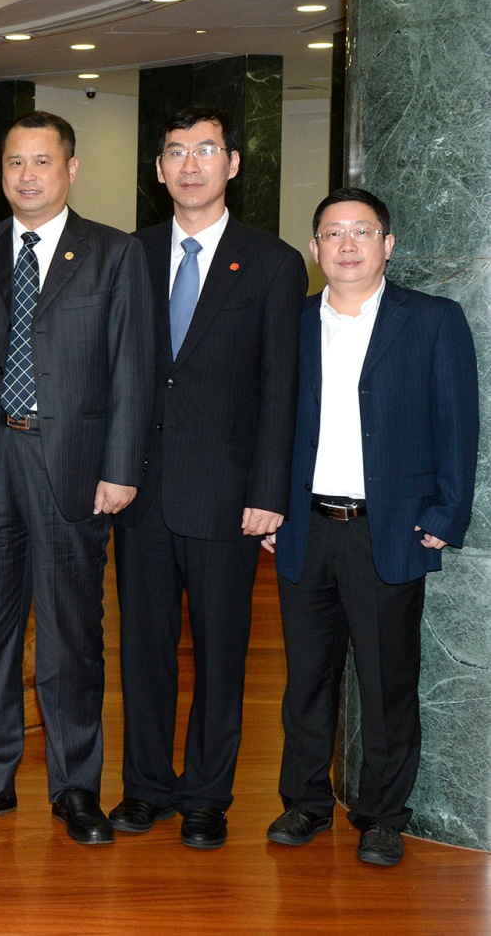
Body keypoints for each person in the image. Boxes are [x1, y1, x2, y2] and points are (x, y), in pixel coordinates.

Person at [0, 111, 154, 846]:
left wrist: (120, 467)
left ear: (70, 168)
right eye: (14, 163)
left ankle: (75, 788)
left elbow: (133, 366)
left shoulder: (114, 253)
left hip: (73, 467)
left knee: (71, 638)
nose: (26, 176)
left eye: (41, 162)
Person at [110, 108, 306, 849]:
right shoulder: (130, 253)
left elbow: (280, 387)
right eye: (176, 152)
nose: (190, 165)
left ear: (233, 163)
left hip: (228, 497)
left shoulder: (272, 262)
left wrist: (269, 492)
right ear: (159, 169)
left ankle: (206, 796)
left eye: (205, 150)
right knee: (143, 652)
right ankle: (145, 788)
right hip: (138, 491)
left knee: (222, 655)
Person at [264, 187, 477, 867]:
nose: (347, 244)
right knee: (307, 682)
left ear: (388, 244)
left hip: (389, 530)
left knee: (388, 685)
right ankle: (304, 803)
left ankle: (383, 816)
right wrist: (268, 503)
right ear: (315, 248)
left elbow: (458, 421)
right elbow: (267, 422)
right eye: (333, 233)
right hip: (306, 527)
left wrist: (446, 512)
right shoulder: (293, 322)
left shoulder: (432, 320)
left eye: (362, 231)